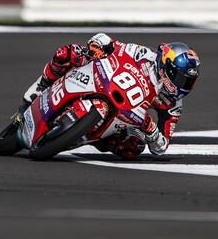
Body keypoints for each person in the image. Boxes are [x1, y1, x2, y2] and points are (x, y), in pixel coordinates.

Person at [19, 33, 200, 160]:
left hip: (127, 114)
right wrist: (98, 46)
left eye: (188, 81)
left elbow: (161, 147)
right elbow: (114, 44)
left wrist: (151, 129)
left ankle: (92, 138)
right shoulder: (145, 55)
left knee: (133, 146)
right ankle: (42, 84)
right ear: (166, 66)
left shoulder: (173, 103)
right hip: (106, 80)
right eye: (180, 78)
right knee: (69, 53)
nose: (182, 85)